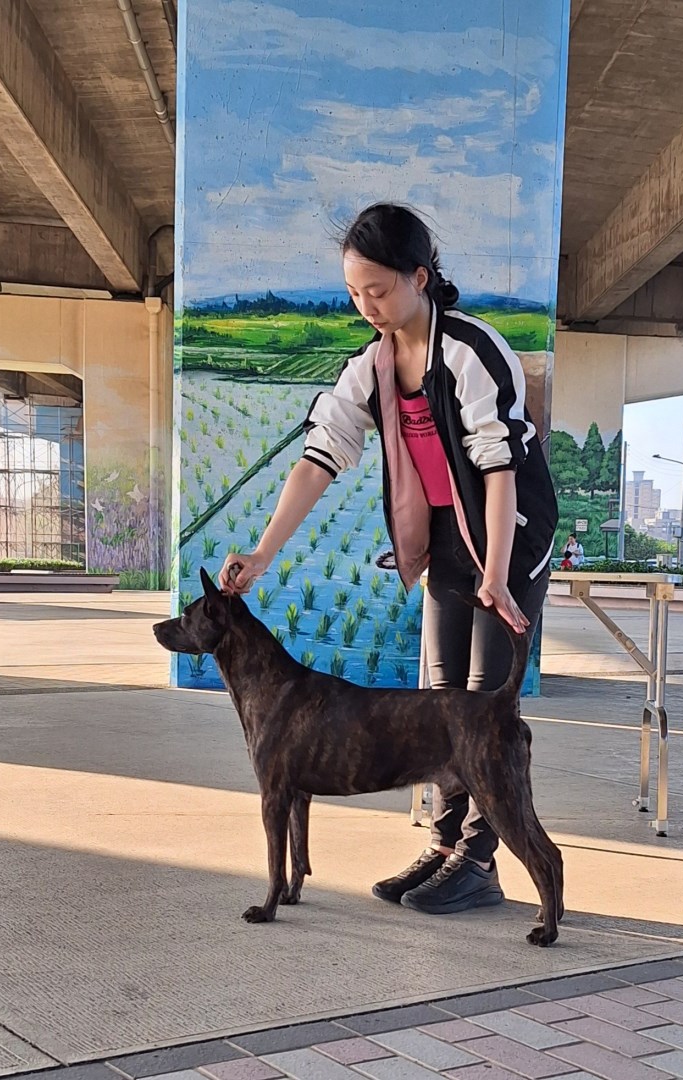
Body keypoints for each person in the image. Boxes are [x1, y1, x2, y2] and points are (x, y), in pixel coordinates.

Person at [220, 202, 558, 916]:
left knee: (480, 701)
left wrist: (498, 576)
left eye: (376, 290)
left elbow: (499, 468)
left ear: (419, 276)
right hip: (446, 538)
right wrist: (263, 553)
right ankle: (444, 845)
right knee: (438, 695)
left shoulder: (470, 349)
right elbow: (319, 457)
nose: (365, 307)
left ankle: (478, 860)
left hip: (509, 532)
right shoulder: (369, 367)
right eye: (354, 293)